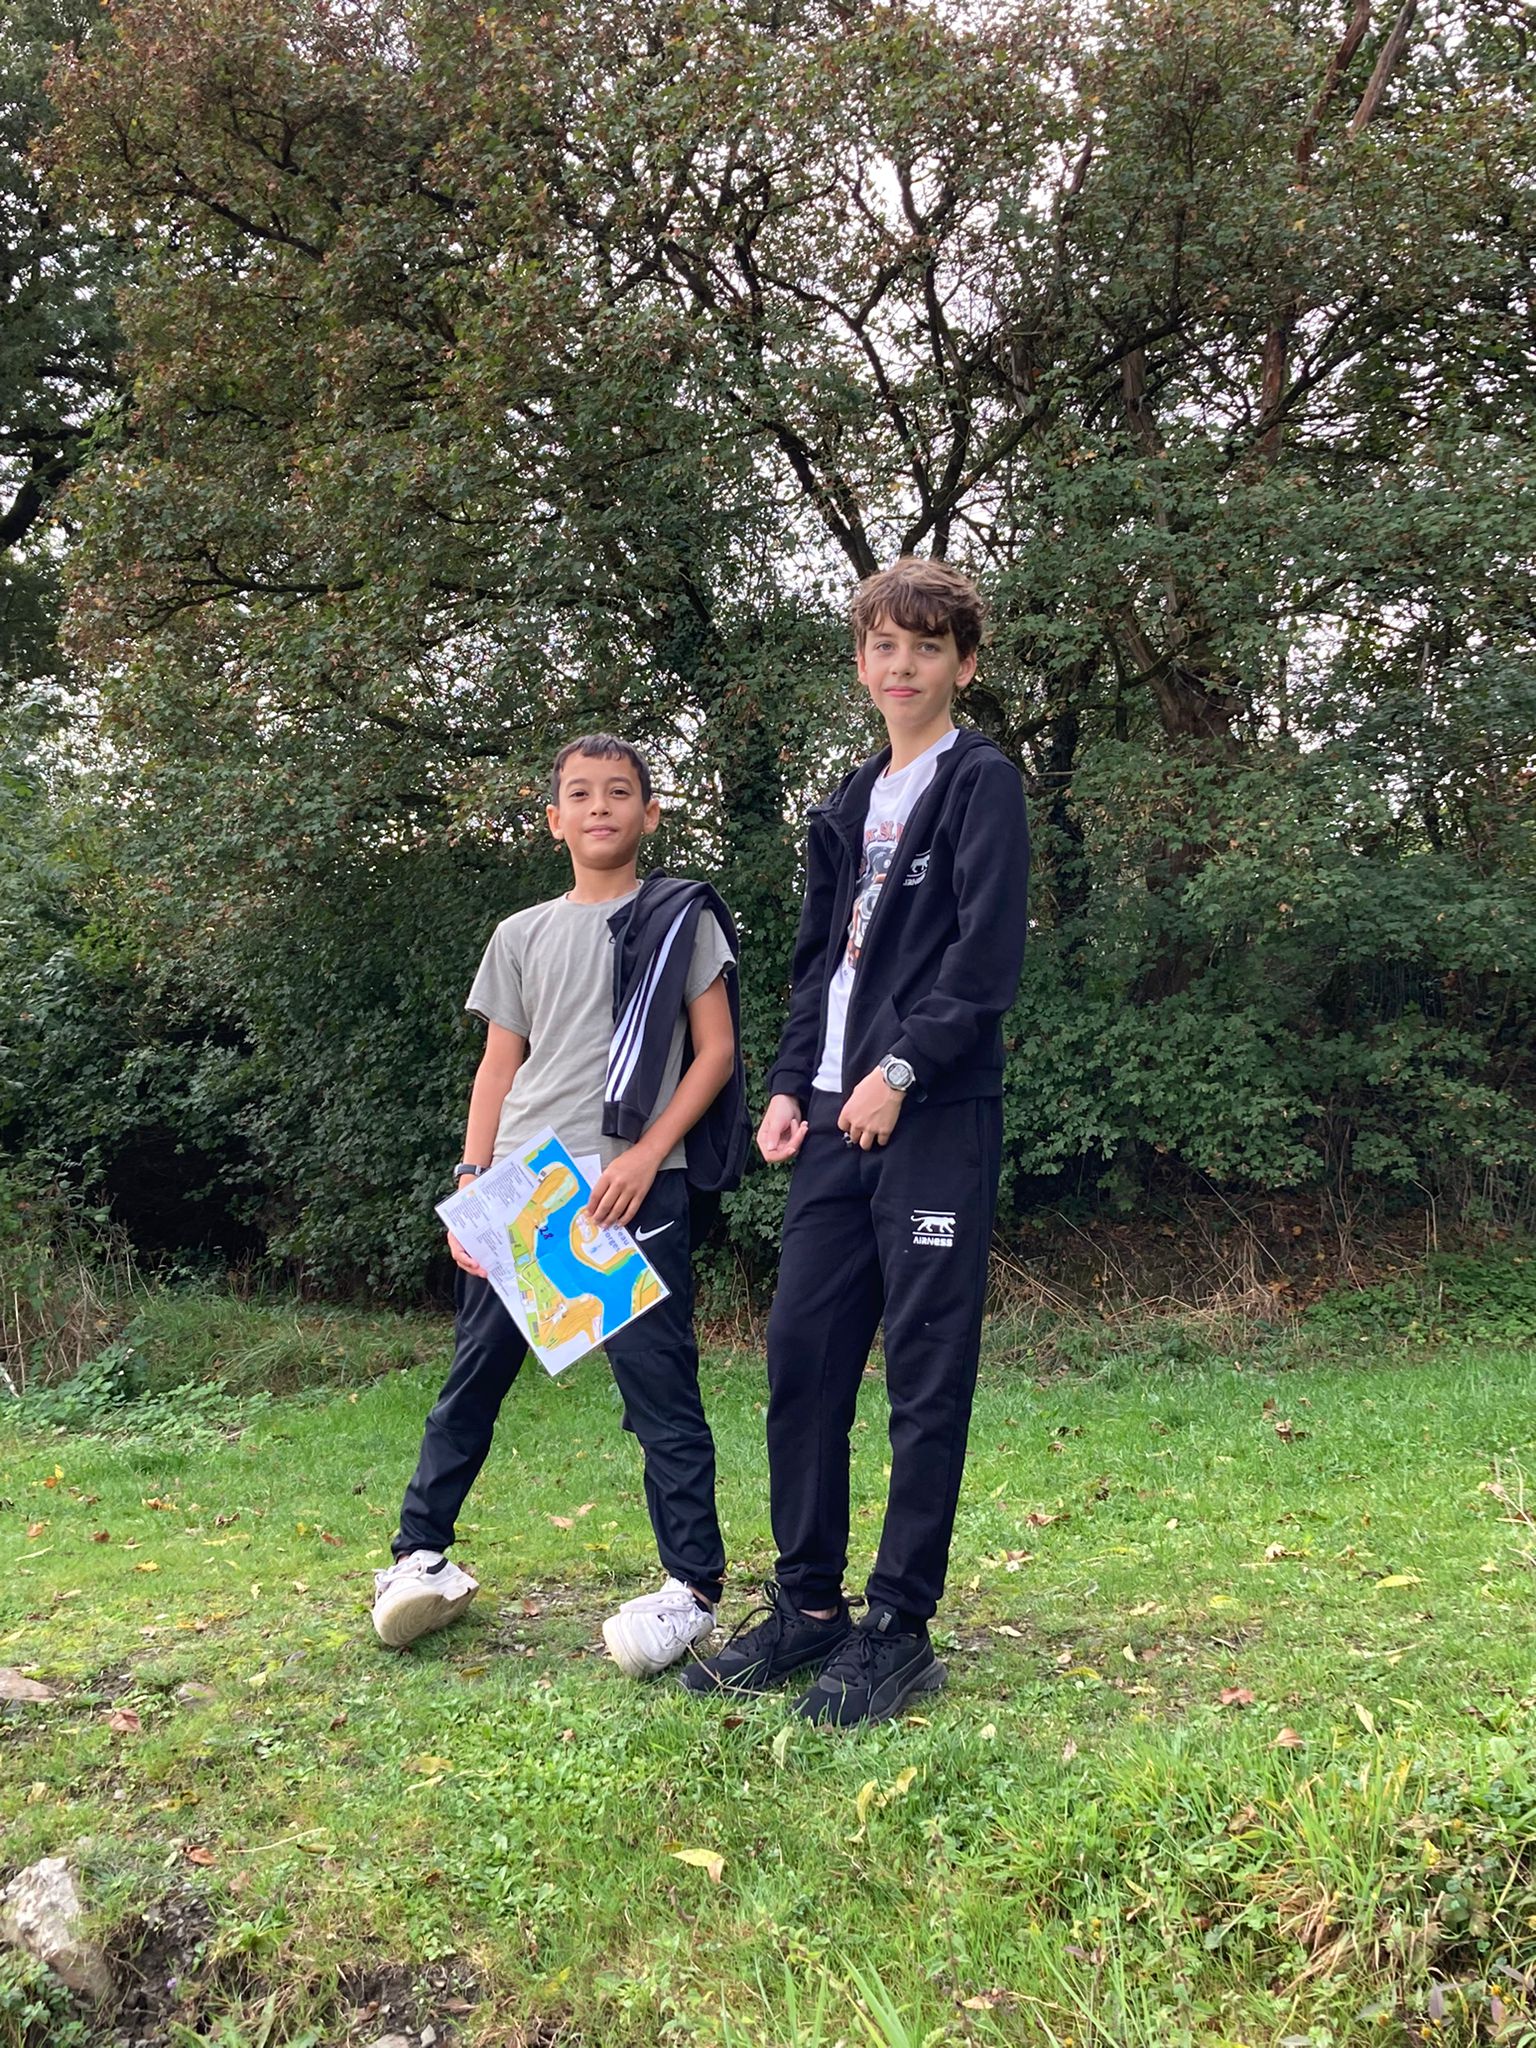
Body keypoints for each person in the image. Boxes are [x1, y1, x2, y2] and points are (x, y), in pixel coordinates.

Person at [682, 558, 1029, 1727]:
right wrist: (793, 1084)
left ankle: (899, 1627)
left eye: (928, 646)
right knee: (802, 1358)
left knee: (925, 1372)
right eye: (885, 645)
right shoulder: (845, 800)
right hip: (832, 1116)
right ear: (862, 662)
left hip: (930, 1115)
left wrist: (900, 1069)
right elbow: (817, 964)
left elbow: (985, 961)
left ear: (963, 664)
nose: (903, 664)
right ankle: (809, 1606)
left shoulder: (980, 782)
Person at [372, 734, 747, 1679]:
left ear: (650, 814)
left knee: (660, 1390)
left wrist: (647, 1154)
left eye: (619, 792)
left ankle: (691, 1589)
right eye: (579, 794)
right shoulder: (521, 933)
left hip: (631, 1187)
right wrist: (472, 1180)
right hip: (525, 1188)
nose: (599, 807)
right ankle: (420, 1558)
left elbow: (715, 1054)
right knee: (474, 1377)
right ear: (554, 820)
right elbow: (498, 1068)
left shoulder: (680, 921)